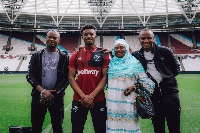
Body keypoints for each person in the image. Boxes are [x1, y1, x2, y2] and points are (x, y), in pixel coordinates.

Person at [132, 28, 181, 133]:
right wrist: (111, 52)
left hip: (170, 94)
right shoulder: (136, 55)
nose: (146, 41)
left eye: (149, 38)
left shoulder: (165, 51)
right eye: (143, 38)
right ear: (139, 39)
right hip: (152, 96)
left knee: (174, 127)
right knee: (158, 128)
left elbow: (176, 69)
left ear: (153, 38)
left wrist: (167, 79)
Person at [106, 39, 155, 133]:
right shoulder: (110, 63)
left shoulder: (134, 63)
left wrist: (134, 87)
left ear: (127, 48)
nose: (119, 50)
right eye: (116, 48)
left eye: (121, 47)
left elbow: (147, 81)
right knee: (113, 126)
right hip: (113, 104)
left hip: (129, 102)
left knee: (130, 127)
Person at [68, 24, 110, 133]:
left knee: (100, 130)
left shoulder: (103, 54)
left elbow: (105, 77)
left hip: (98, 99)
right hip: (79, 99)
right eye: (85, 34)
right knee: (76, 129)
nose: (88, 36)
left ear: (95, 36)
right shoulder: (75, 54)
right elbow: (71, 77)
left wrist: (91, 96)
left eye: (91, 34)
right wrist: (84, 97)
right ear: (82, 36)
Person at [26, 29, 69, 133]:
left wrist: (55, 92)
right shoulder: (36, 55)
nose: (52, 39)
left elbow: (67, 77)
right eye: (50, 37)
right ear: (46, 38)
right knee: (36, 127)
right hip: (38, 97)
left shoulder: (64, 56)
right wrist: (42, 91)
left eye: (55, 37)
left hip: (57, 97)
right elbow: (29, 75)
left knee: (57, 128)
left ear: (59, 40)